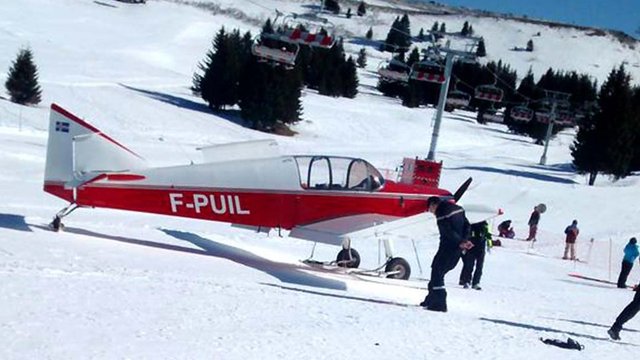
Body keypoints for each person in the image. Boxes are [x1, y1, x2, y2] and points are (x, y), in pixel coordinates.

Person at [419, 196, 473, 312]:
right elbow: (467, 226)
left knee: (437, 271)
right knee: (438, 270)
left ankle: (439, 303)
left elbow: (447, 232)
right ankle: (430, 299)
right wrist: (464, 240)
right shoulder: (458, 209)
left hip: (448, 247)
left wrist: (460, 242)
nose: (430, 212)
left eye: (429, 208)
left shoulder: (442, 213)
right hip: (458, 247)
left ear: (434, 205)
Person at [459, 220, 492, 290]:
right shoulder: (471, 223)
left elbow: (488, 235)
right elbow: (466, 234)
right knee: (469, 265)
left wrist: (489, 245)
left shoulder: (485, 224)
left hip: (481, 247)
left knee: (479, 266)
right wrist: (464, 245)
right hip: (471, 246)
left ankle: (476, 282)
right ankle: (467, 281)